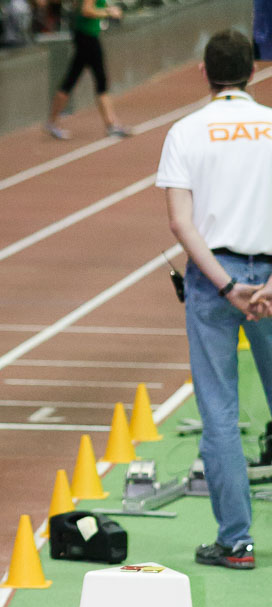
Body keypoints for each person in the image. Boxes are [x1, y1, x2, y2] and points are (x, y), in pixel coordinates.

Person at [156, 29, 272, 570]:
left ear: (204, 72)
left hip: (212, 279)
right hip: (271, 278)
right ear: (253, 68)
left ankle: (237, 542)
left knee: (221, 414)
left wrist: (228, 286)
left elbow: (181, 223)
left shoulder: (185, 131)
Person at [46, 0, 129, 140]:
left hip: (86, 36)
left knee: (77, 79)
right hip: (87, 37)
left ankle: (52, 121)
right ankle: (111, 124)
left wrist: (108, 8)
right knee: (96, 79)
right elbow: (87, 10)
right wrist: (109, 13)